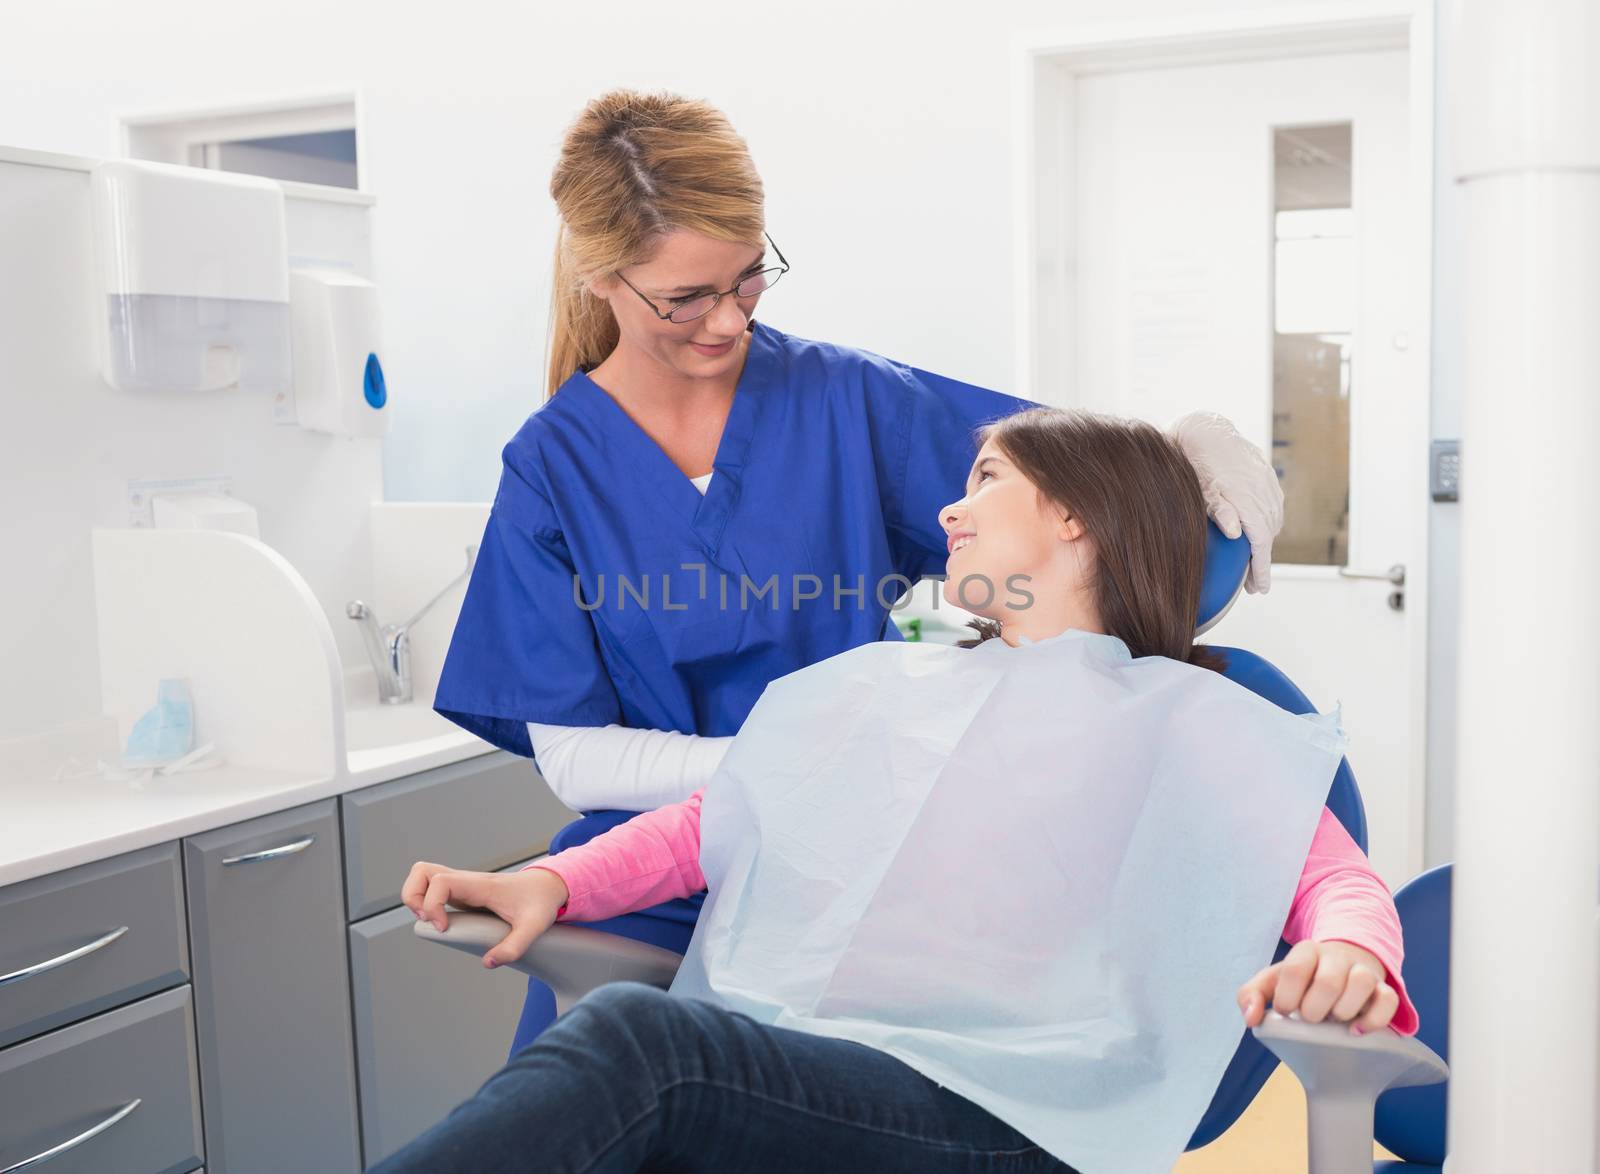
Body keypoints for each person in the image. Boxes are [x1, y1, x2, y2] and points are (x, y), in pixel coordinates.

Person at [430, 88, 1287, 1052]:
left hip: (859, 866)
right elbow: (577, 755)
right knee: (581, 1090)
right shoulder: (553, 468)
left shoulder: (845, 402)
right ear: (599, 277)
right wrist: (813, 764)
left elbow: (1083, 521)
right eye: (685, 298)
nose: (727, 321)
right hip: (660, 865)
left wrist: (1192, 463)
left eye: (750, 279)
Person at [383, 408, 1414, 1174]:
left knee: (634, 1040)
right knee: (636, 1048)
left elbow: (1334, 877)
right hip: (840, 1075)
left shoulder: (1186, 717)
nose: (949, 507)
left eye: (986, 477)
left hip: (1013, 1110)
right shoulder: (919, 682)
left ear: (1069, 514)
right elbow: (727, 818)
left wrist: (1348, 951)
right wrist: (551, 883)